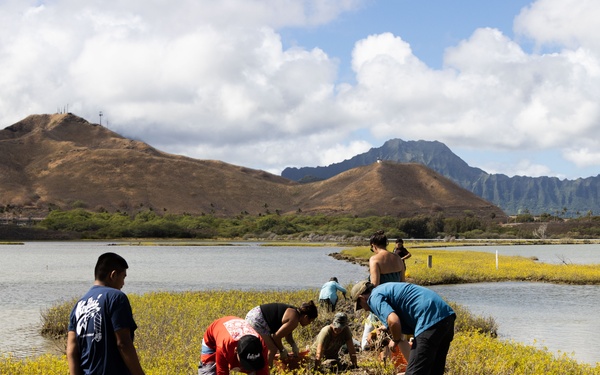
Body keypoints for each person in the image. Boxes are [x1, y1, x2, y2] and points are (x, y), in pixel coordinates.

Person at [351, 281, 456, 375]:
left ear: (361, 298)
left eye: (360, 306)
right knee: (434, 370)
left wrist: (395, 340)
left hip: (429, 320)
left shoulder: (373, 297)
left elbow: (393, 320)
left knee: (414, 372)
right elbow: (400, 313)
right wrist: (387, 327)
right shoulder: (384, 288)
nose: (364, 310)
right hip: (446, 317)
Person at [67, 252, 145, 375]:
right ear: (113, 275)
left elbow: (71, 350)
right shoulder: (116, 297)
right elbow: (123, 343)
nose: (123, 284)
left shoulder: (79, 304)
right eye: (123, 277)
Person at [362, 230, 406, 350]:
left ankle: (380, 359)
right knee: (396, 335)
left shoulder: (374, 259)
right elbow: (403, 281)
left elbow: (375, 284)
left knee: (375, 336)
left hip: (382, 301)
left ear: (373, 245)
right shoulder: (397, 258)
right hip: (398, 300)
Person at [245, 301, 318, 367]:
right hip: (256, 319)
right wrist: (282, 350)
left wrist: (293, 344)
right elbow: (276, 337)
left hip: (254, 314)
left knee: (270, 347)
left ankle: (266, 367)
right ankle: (268, 371)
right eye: (310, 321)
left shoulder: (295, 313)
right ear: (306, 317)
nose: (309, 324)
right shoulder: (294, 320)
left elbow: (287, 333)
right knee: (272, 349)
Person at [199, 316, 269, 375]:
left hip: (232, 334)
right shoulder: (224, 346)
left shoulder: (261, 345)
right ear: (236, 350)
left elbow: (263, 371)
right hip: (213, 339)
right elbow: (222, 371)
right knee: (208, 371)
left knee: (255, 368)